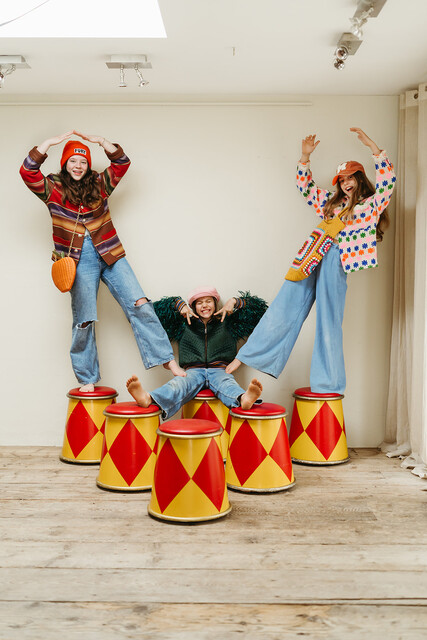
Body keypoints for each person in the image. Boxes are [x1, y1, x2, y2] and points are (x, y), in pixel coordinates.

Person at [226, 127, 396, 394]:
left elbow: (387, 182)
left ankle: (328, 384)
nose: (346, 182)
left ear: (360, 179)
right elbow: (305, 188)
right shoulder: (330, 204)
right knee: (286, 303)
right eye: (342, 179)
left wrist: (373, 148)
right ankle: (250, 355)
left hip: (337, 260)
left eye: (351, 177)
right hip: (311, 256)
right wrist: (305, 157)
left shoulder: (370, 205)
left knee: (328, 320)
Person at [20, 130, 185, 392]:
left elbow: (122, 163)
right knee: (84, 319)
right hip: (78, 260)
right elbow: (28, 171)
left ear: (88, 166)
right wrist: (49, 143)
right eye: (73, 161)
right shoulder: (52, 189)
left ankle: (166, 360)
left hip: (110, 252)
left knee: (140, 303)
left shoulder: (99, 184)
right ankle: (87, 377)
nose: (78, 166)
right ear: (65, 164)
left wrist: (101, 142)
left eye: (83, 161)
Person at [126, 287, 267, 417]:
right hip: (193, 371)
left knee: (227, 385)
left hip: (220, 369)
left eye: (208, 301)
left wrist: (234, 302)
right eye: (199, 303)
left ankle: (244, 399)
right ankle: (148, 398)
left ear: (215, 303)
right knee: (178, 385)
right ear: (192, 306)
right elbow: (150, 314)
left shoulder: (228, 322)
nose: (204, 305)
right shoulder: (182, 324)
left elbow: (261, 310)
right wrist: (179, 304)